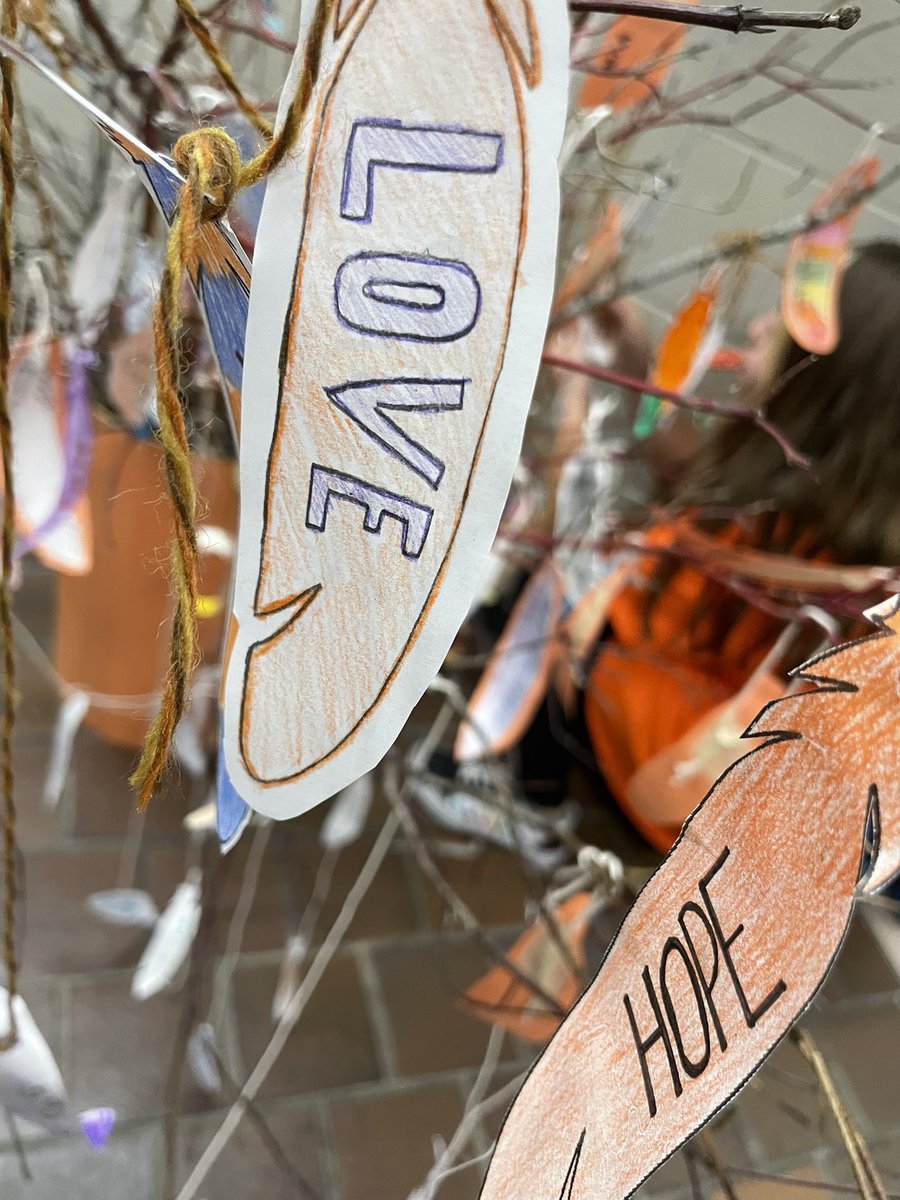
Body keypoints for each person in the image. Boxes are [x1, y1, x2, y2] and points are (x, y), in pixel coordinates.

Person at [411, 241, 900, 866]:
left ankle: (531, 803)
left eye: (784, 316)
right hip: (679, 738)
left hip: (676, 791)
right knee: (567, 585)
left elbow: (712, 769)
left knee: (551, 595)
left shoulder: (824, 582)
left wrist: (575, 423)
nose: (758, 324)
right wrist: (633, 365)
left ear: (828, 382)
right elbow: (687, 470)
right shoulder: (812, 500)